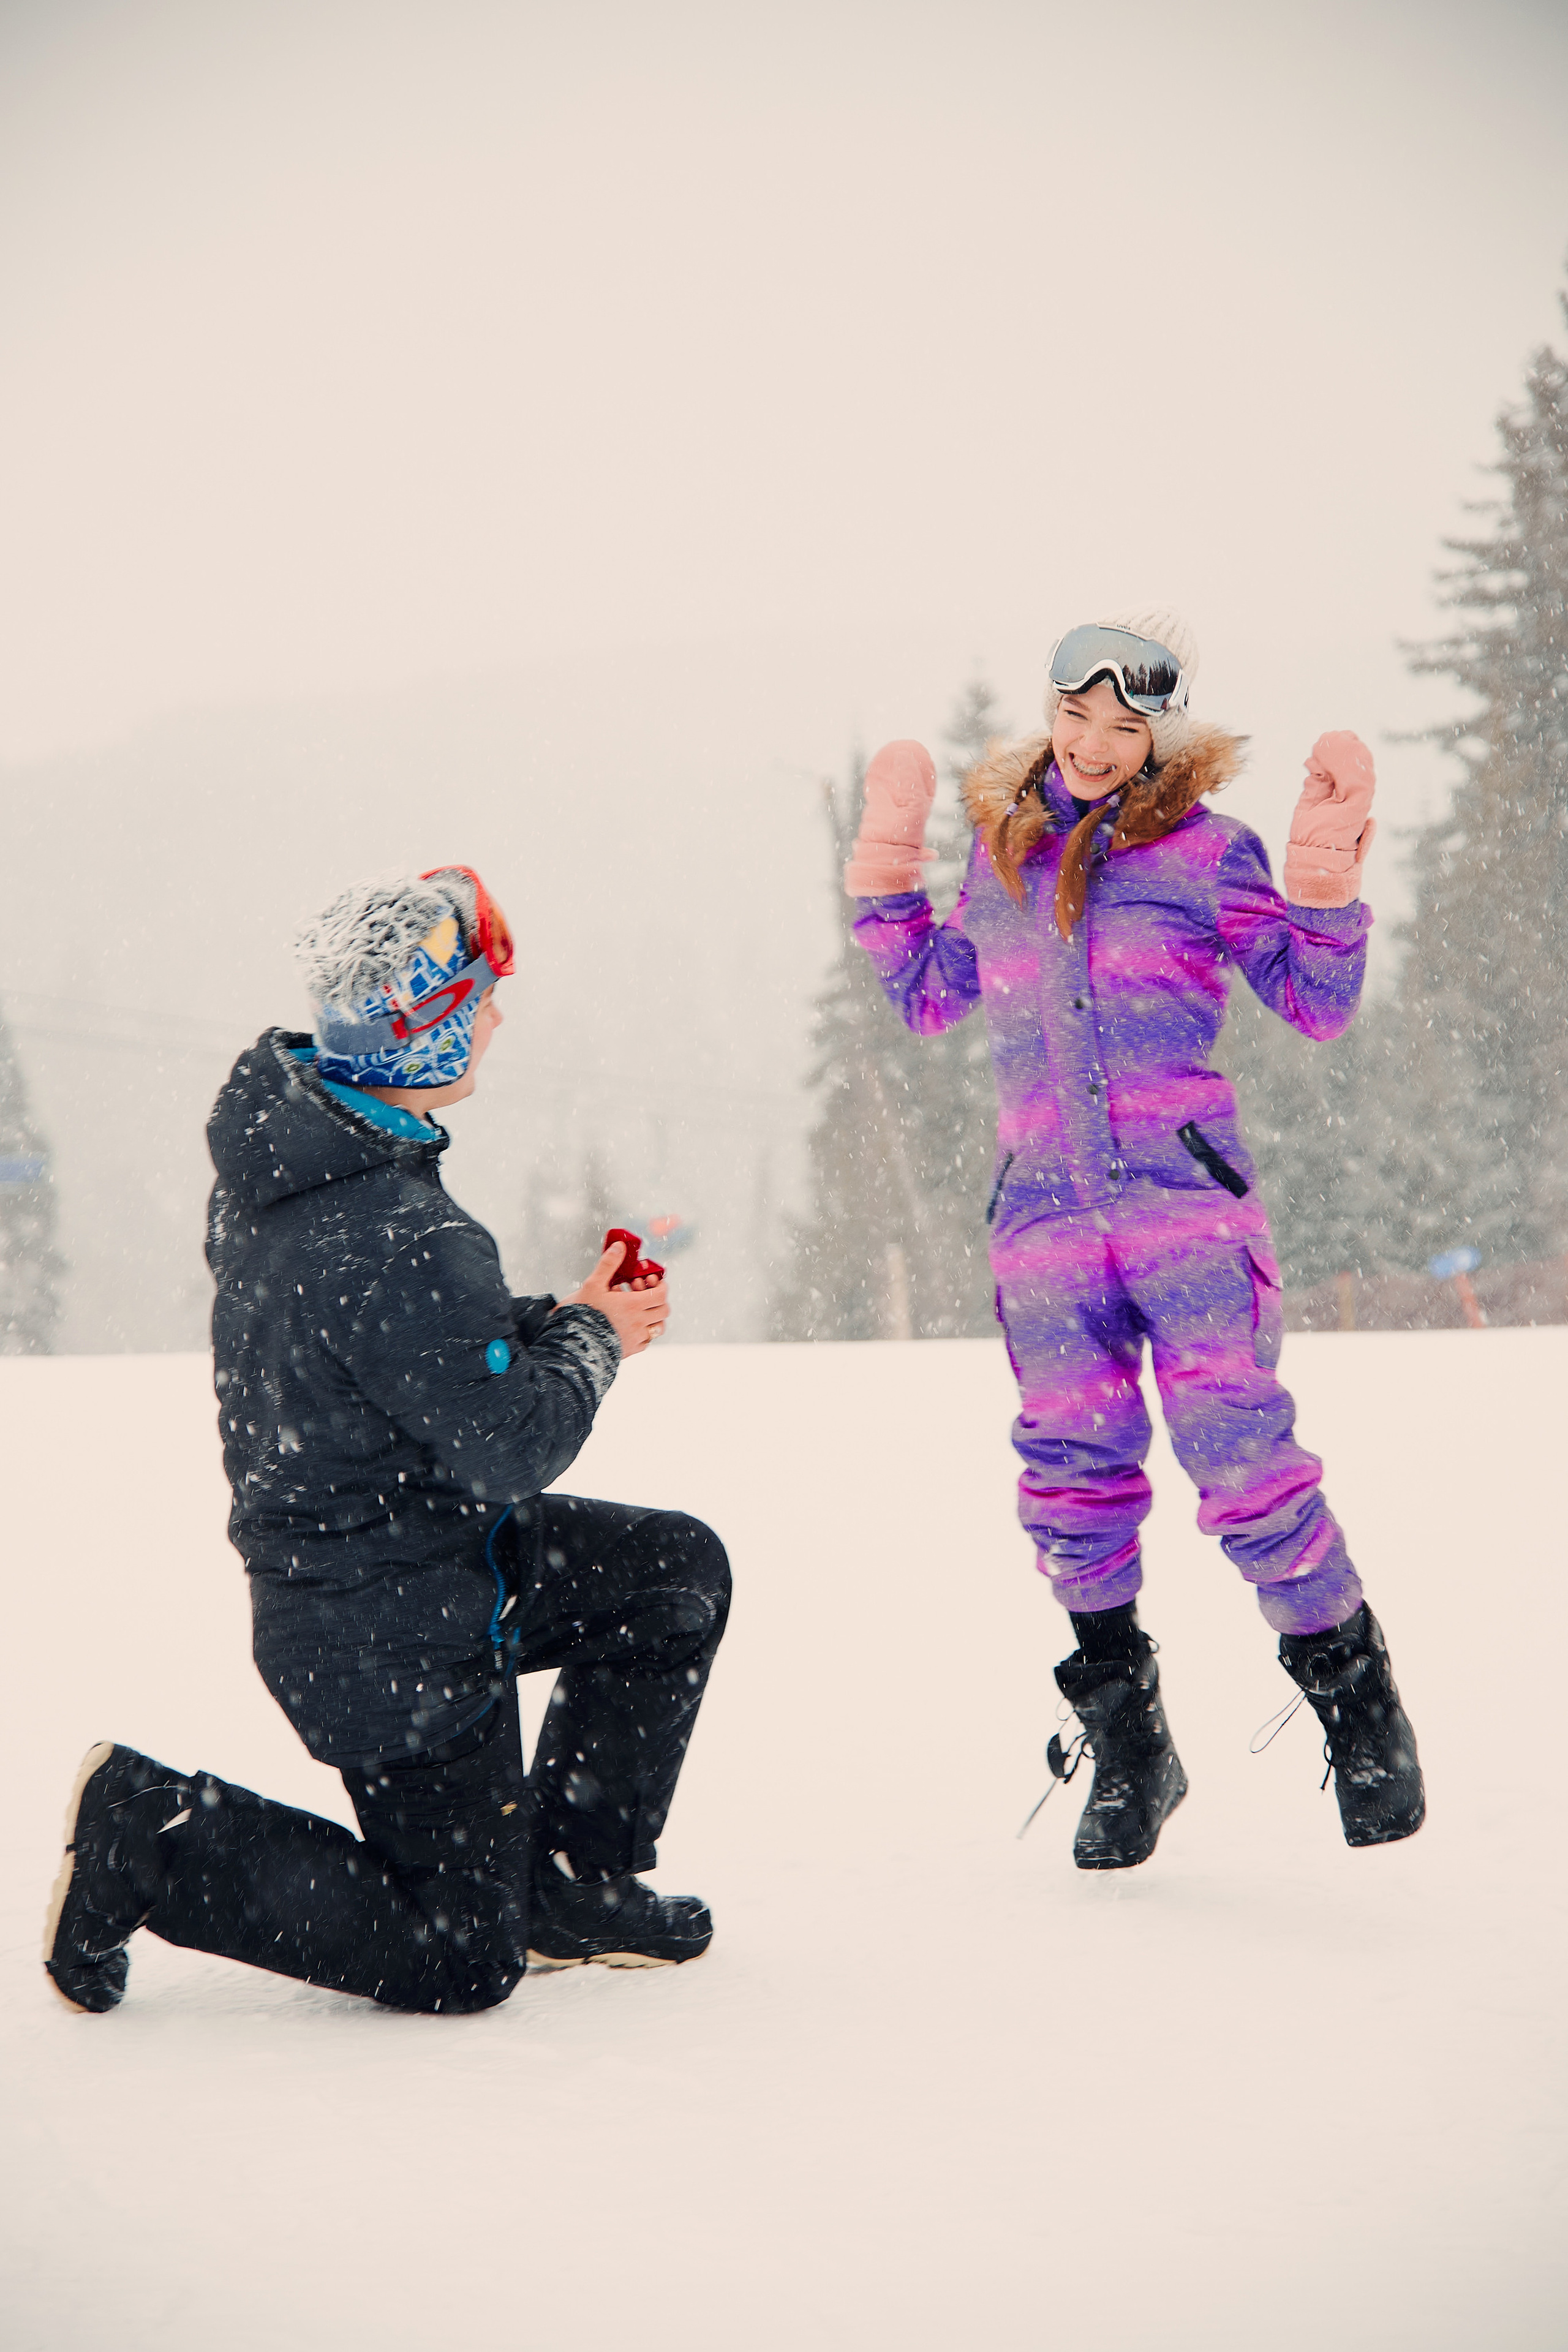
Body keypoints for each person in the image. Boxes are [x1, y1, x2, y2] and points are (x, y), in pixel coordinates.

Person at [45, 865, 729, 2013]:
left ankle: (564, 1882)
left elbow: (394, 1357)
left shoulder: (306, 1156)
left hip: (406, 1562)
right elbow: (512, 1444)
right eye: (479, 996)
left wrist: (559, 1321)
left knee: (671, 1576)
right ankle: (150, 1836)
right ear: (421, 1030)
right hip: (385, 1634)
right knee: (461, 1957)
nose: (498, 1018)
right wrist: (596, 1344)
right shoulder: (397, 1230)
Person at [844, 609, 1423, 1869]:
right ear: (1046, 715)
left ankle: (1356, 1702)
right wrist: (885, 878)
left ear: (1158, 734)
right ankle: (1127, 1745)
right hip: (1043, 1223)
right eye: (1075, 717)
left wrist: (1321, 885)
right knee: (1069, 1474)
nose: (1094, 743)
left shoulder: (1206, 852)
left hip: (1183, 1206)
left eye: (1122, 724)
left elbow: (1313, 1005)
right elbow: (926, 993)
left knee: (1239, 1454)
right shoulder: (997, 860)